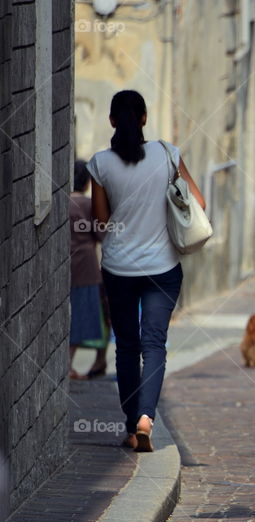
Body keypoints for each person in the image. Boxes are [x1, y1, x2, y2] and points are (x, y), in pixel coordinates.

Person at [87, 90, 206, 452]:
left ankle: (129, 425)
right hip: (163, 268)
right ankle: (145, 419)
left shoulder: (100, 164)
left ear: (111, 121)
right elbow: (197, 202)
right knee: (154, 343)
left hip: (119, 268)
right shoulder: (168, 154)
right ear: (144, 119)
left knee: (126, 346)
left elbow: (101, 222)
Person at [68, 159, 109, 380]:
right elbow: (102, 235)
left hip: (67, 265)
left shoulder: (62, 202)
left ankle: (93, 362)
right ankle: (69, 363)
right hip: (87, 267)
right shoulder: (88, 204)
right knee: (84, 314)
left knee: (73, 312)